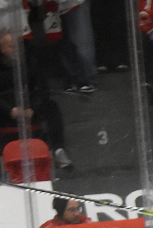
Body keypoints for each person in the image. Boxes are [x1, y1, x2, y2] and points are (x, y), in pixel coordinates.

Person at [0, 30, 73, 169]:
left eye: (17, 46)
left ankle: (58, 150)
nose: (15, 50)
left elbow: (41, 89)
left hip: (29, 110)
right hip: (5, 114)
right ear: (2, 48)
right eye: (10, 46)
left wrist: (32, 107)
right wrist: (10, 110)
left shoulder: (30, 62)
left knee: (51, 106)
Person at [58, 0, 98, 93]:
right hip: (51, 5)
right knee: (62, 39)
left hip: (75, 2)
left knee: (82, 39)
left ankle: (87, 79)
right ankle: (71, 78)